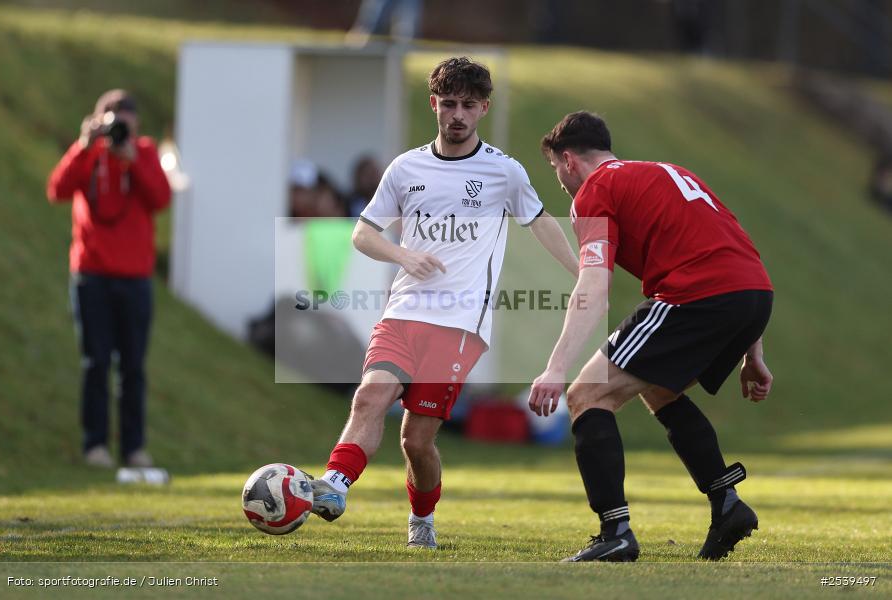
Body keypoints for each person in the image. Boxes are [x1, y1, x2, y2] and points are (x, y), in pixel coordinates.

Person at [306, 57, 579, 548]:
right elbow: (363, 233)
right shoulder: (406, 168)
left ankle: (422, 518)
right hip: (402, 312)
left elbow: (541, 223)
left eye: (468, 105)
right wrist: (403, 255)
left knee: (416, 440)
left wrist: (584, 272)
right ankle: (335, 486)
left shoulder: (503, 172)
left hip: (460, 324)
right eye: (449, 103)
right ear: (434, 103)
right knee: (369, 396)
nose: (457, 114)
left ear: (483, 109)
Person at [529, 111, 774, 562]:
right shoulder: (670, 172)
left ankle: (615, 533)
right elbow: (733, 247)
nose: (560, 182)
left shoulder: (594, 190)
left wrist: (555, 368)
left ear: (568, 160)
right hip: (753, 293)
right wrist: (751, 349)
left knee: (586, 396)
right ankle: (727, 504)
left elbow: (593, 286)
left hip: (697, 294)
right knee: (659, 389)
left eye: (555, 169)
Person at [47, 89, 171, 468]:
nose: (118, 129)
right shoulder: (89, 152)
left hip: (135, 279)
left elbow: (161, 198)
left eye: (125, 121)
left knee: (133, 367)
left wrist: (132, 160)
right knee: (95, 363)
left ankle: (134, 449)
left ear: (136, 124)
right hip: (91, 275)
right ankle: (95, 445)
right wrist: (83, 145)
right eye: (112, 120)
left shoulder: (144, 152)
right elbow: (57, 190)